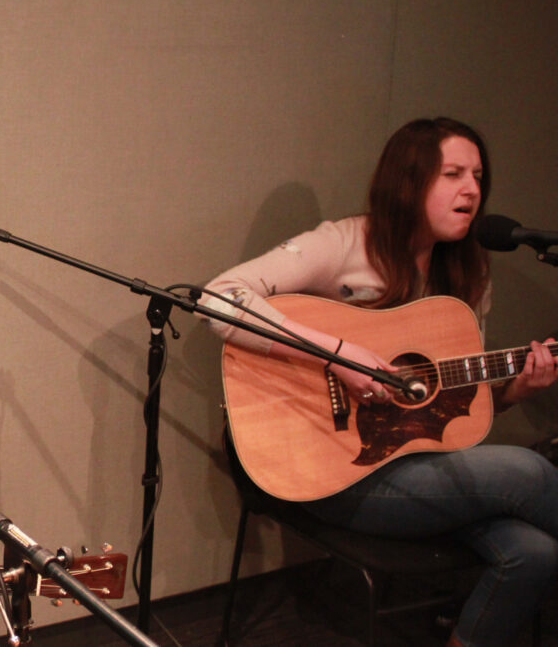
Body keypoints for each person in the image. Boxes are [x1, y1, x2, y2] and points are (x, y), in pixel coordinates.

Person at [203, 117, 558, 647]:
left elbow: (451, 397)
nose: (471, 190)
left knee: (536, 554)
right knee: (528, 471)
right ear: (409, 182)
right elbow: (219, 299)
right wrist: (336, 355)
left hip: (419, 461)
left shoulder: (469, 273)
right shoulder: (344, 243)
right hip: (333, 469)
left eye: (478, 177)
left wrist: (514, 392)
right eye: (453, 174)